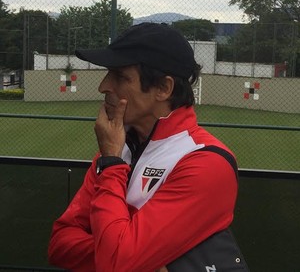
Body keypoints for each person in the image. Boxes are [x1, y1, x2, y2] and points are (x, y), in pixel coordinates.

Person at [48, 22, 247, 272]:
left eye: (120, 76)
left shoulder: (207, 163)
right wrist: (139, 260)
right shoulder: (117, 150)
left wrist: (111, 165)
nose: (104, 86)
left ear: (163, 88)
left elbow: (116, 263)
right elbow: (60, 243)